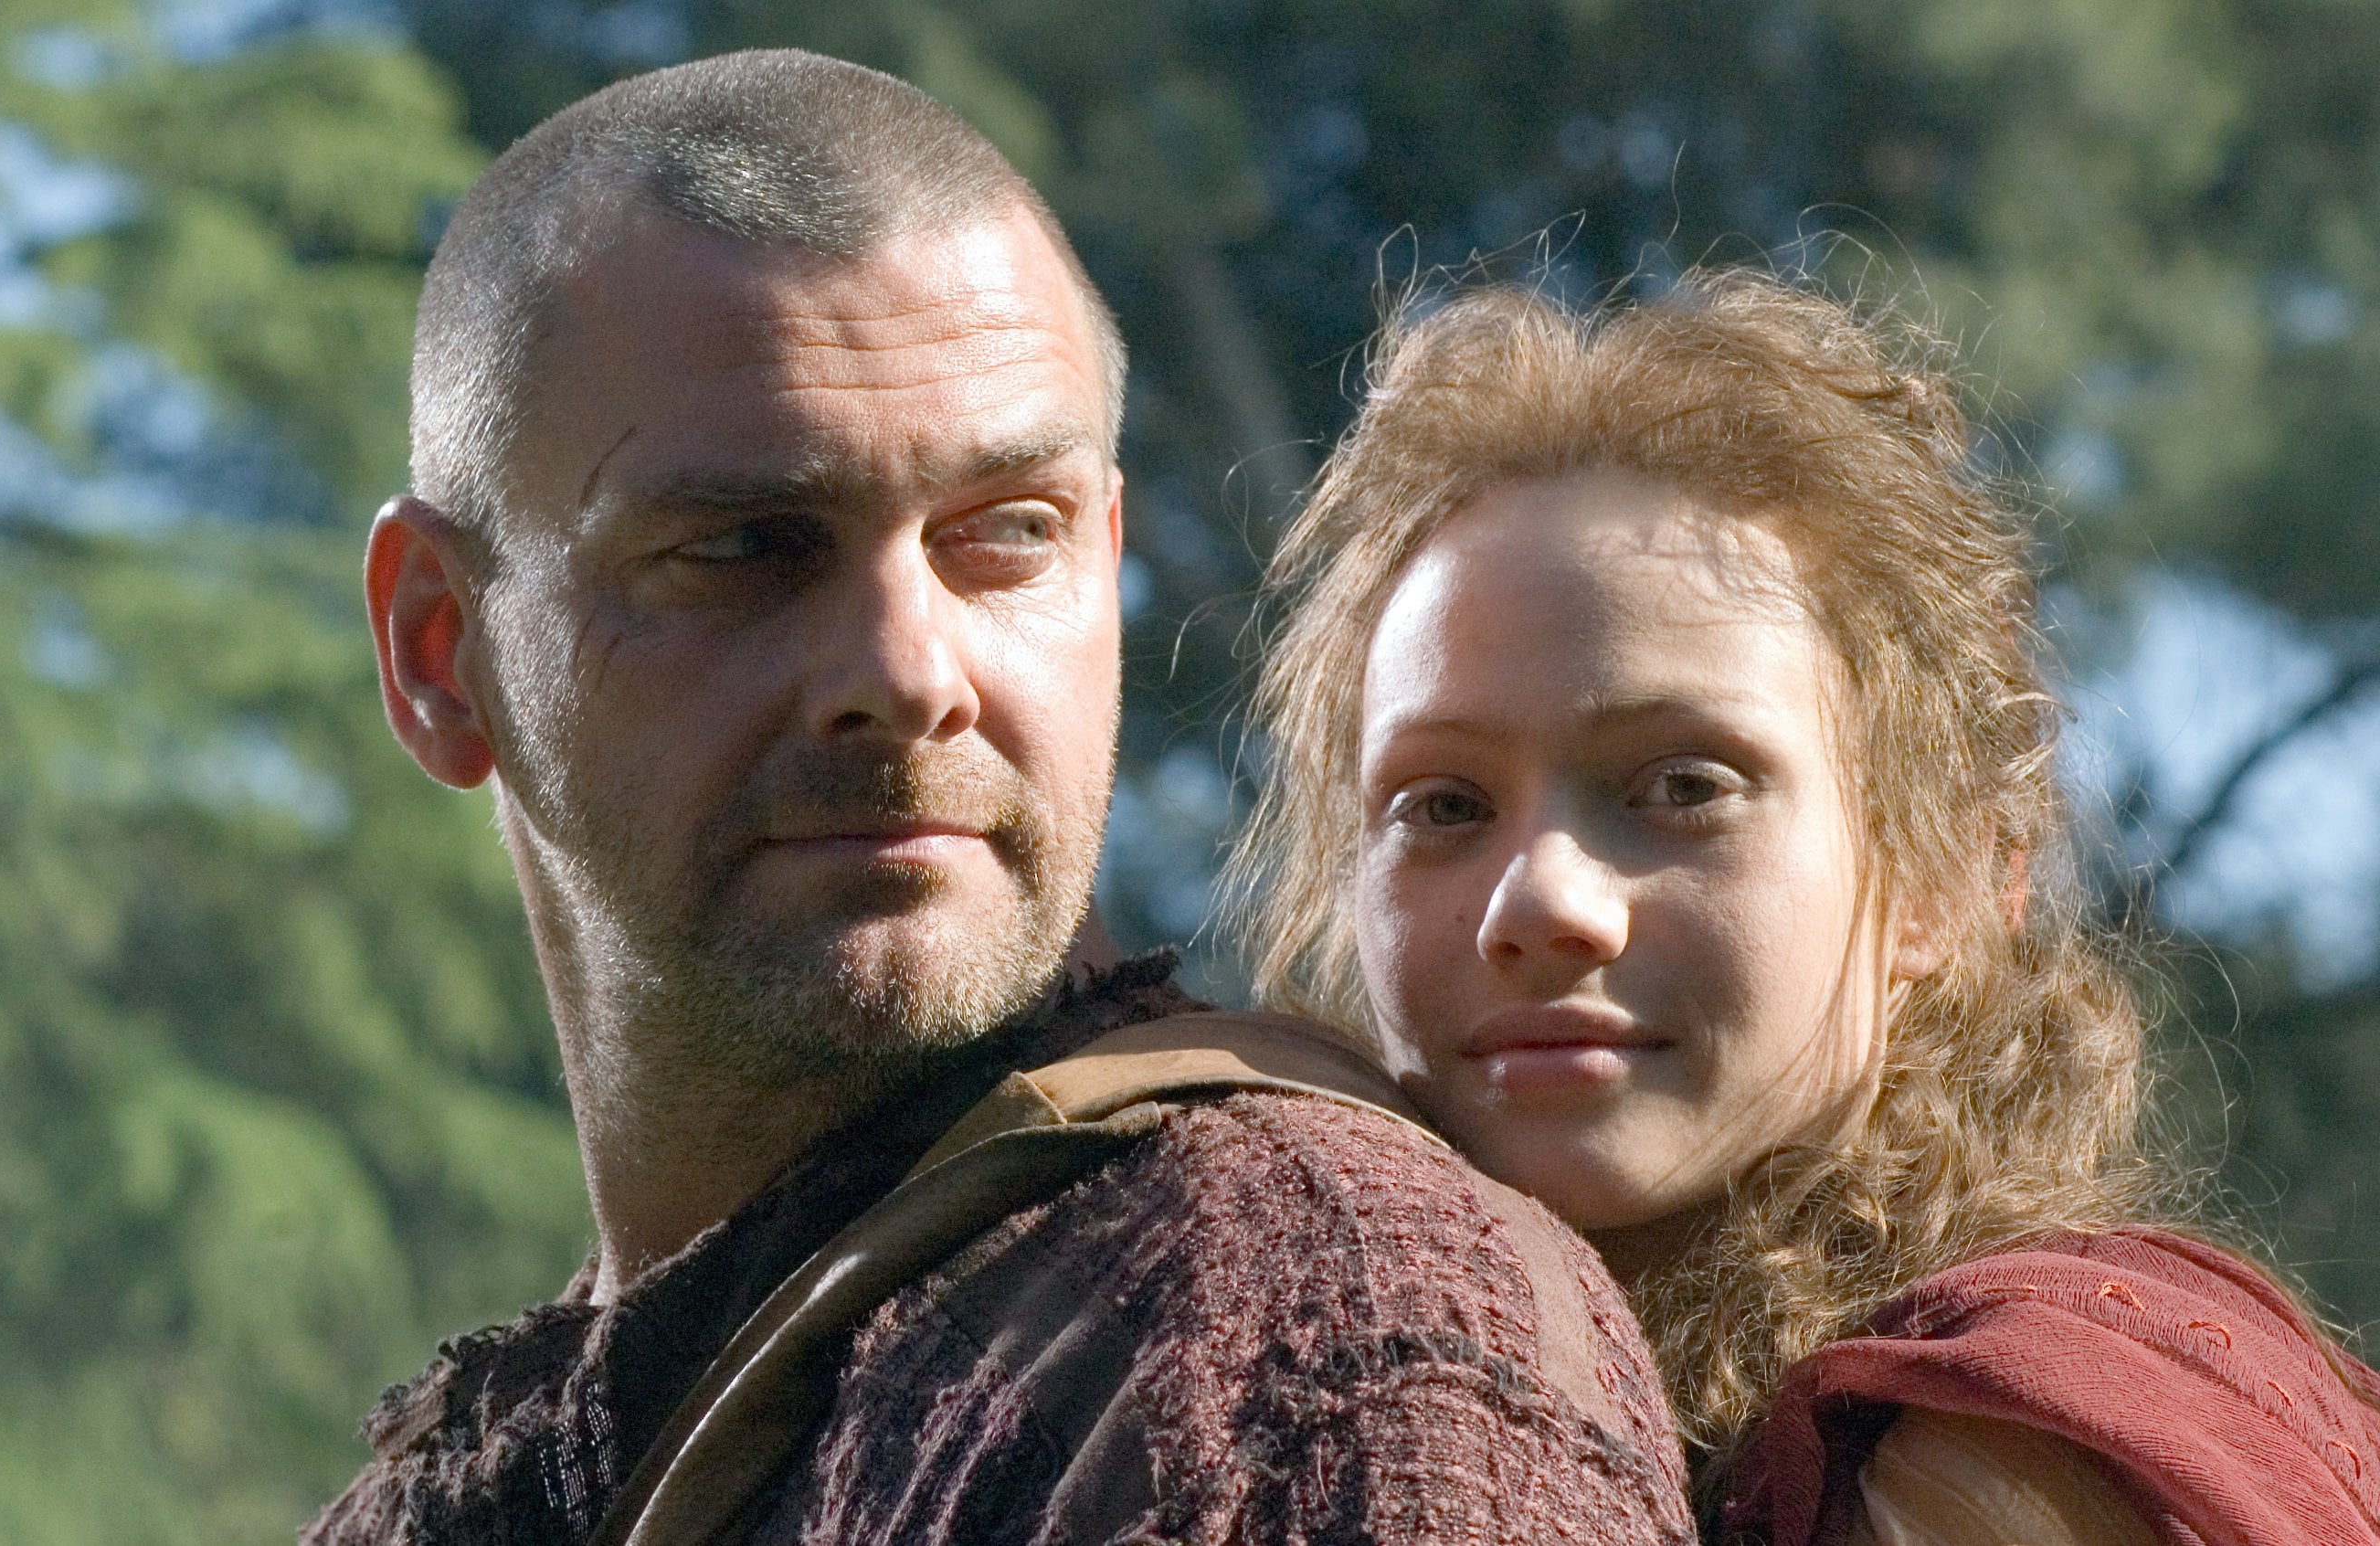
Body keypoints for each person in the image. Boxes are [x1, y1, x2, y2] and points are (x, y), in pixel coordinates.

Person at [302, 49, 1697, 1546]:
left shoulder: (1314, 1345)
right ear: (440, 652)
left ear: (1105, 560)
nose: (910, 674)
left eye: (1007, 533)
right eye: (748, 547)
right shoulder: (455, 1490)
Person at [1225, 270, 2380, 1544]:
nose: (1542, 898)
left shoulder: (1985, 1453)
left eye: (1684, 787)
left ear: (1949, 874)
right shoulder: (1314, 1398)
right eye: (1444, 805)